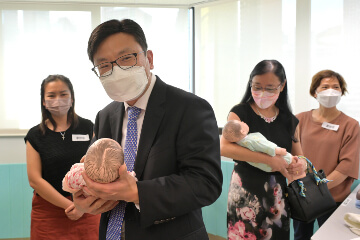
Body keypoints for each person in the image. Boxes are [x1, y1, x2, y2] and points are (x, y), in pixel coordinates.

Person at [72, 19, 223, 240]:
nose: (117, 70)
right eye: (104, 65)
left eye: (126, 58)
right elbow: (97, 174)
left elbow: (205, 183)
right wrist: (85, 197)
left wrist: (136, 193)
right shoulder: (104, 116)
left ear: (149, 59)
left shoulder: (189, 108)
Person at [220, 60, 307, 240]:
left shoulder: (290, 120)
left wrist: (301, 165)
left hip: (277, 198)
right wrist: (268, 160)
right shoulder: (240, 113)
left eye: (270, 88)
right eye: (257, 86)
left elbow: (300, 156)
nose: (262, 93)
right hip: (245, 196)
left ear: (281, 86)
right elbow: (224, 147)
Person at [25, 74, 100, 239]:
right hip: (49, 210)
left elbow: (97, 168)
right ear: (44, 101)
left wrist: (82, 206)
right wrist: (71, 206)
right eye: (51, 95)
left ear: (72, 98)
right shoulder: (35, 135)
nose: (57, 99)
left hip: (88, 207)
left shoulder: (89, 127)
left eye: (63, 94)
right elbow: (35, 180)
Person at [293, 70, 360, 240]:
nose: (331, 91)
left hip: (332, 197)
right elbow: (291, 156)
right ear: (315, 92)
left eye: (336, 87)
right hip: (302, 196)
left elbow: (346, 166)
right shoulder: (299, 120)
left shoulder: (351, 126)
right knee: (301, 236)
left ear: (341, 92)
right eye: (325, 87)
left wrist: (318, 189)